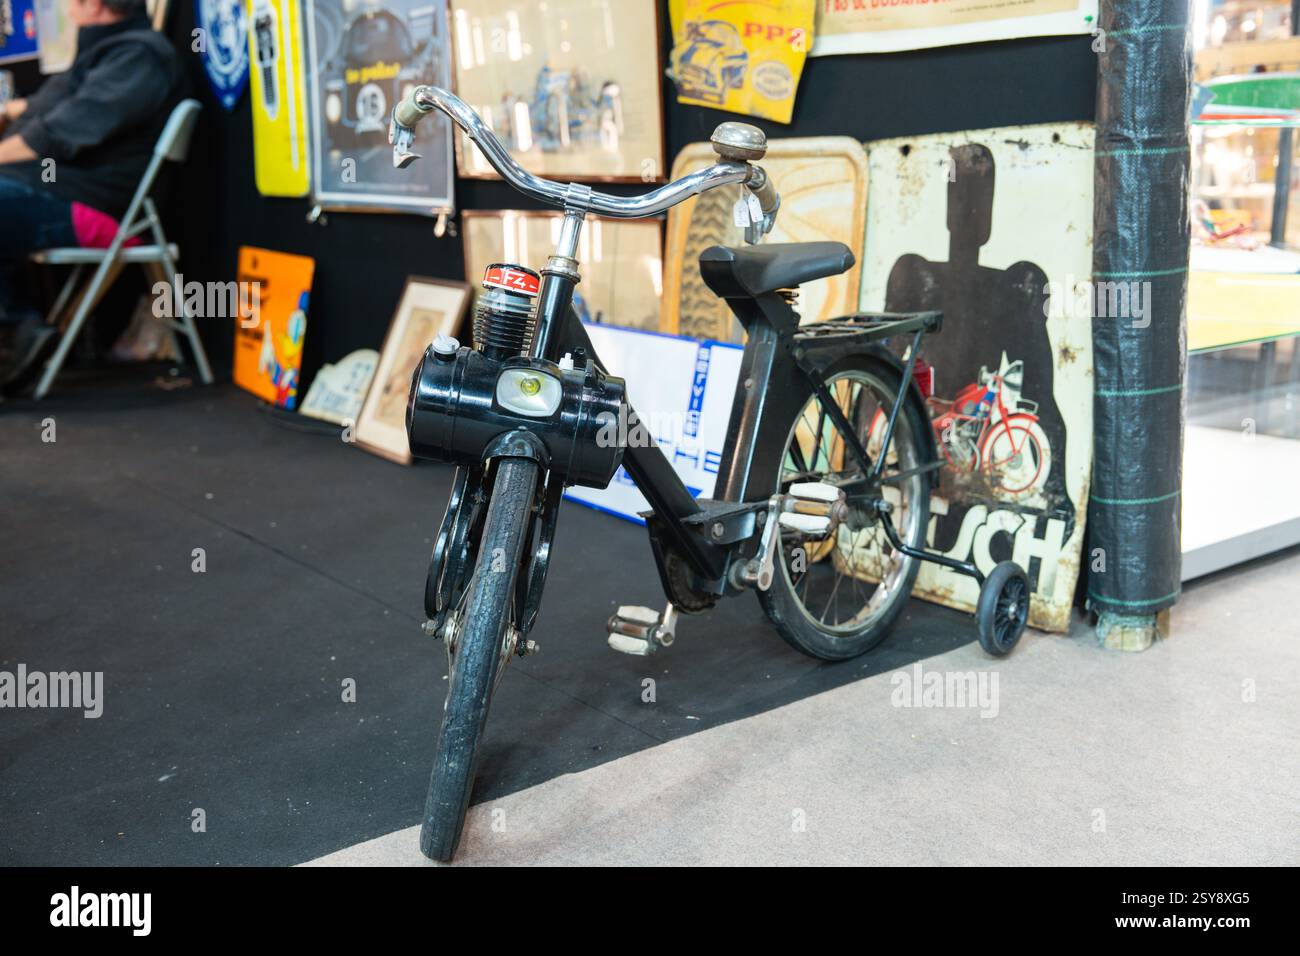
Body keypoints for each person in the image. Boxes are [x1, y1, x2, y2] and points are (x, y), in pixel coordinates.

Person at [0, 0, 188, 387]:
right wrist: (12, 109)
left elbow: (61, 132)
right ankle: (18, 330)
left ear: (94, 5)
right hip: (52, 190)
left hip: (96, 207)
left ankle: (15, 333)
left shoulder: (140, 56)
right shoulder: (110, 49)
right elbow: (52, 106)